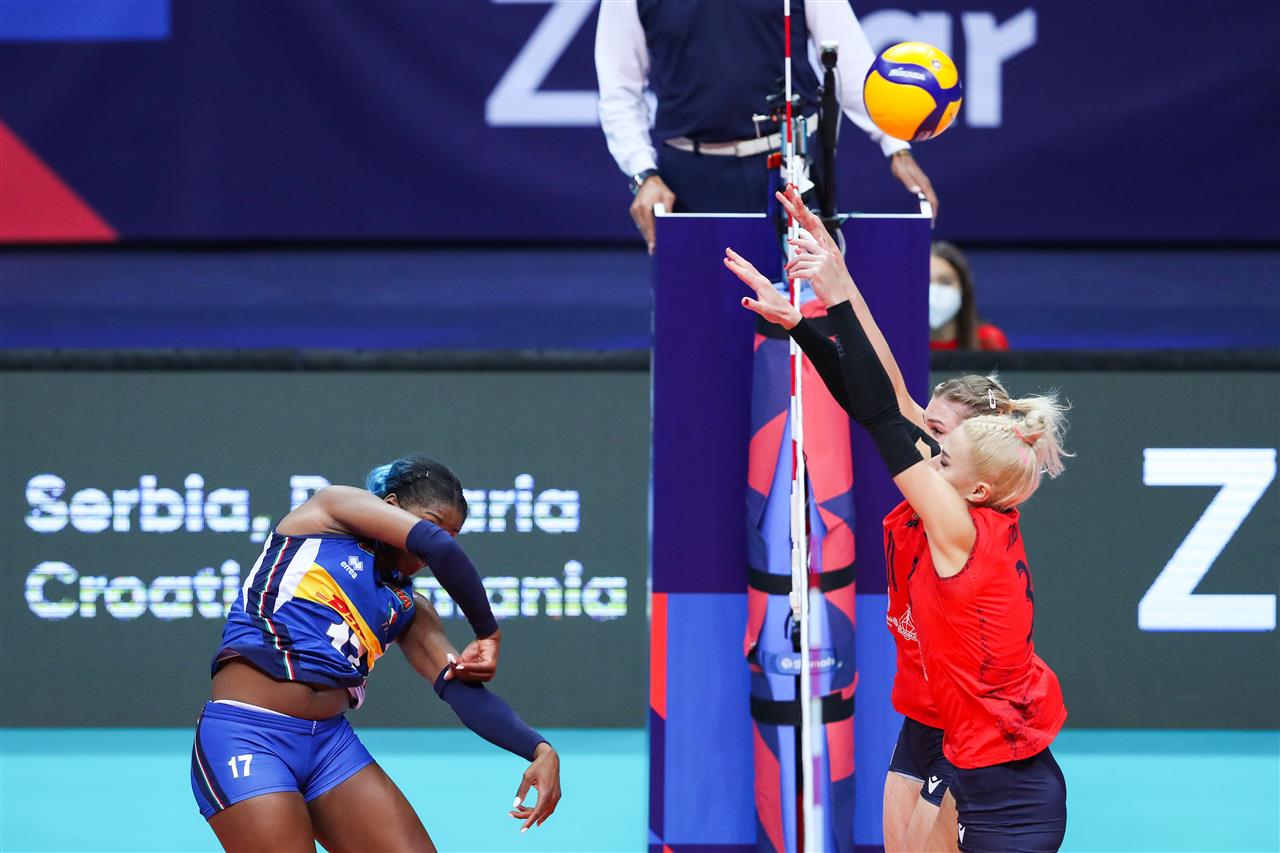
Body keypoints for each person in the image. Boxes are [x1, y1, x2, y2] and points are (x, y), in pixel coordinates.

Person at [727, 187, 1070, 852]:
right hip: (934, 716)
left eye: (939, 440)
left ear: (975, 472)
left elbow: (883, 413)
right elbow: (880, 401)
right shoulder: (958, 489)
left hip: (988, 747)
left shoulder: (959, 524)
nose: (926, 447)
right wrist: (806, 320)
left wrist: (836, 291)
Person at [192, 454, 561, 852]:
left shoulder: (409, 608)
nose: (441, 542)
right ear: (390, 506)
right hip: (248, 735)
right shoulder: (328, 512)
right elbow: (437, 546)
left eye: (454, 534)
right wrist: (487, 631)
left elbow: (461, 691)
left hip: (329, 746)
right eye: (432, 523)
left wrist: (538, 749)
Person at [595, 0, 939, 253]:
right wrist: (643, 173)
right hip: (689, 178)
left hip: (789, 166)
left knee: (804, 315)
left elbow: (849, 63)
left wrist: (896, 145)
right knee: (698, 313)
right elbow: (618, 89)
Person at [931, 241, 1009, 351]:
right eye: (925, 282)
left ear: (963, 287)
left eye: (945, 282)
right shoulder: (904, 344)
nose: (935, 290)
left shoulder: (989, 340)